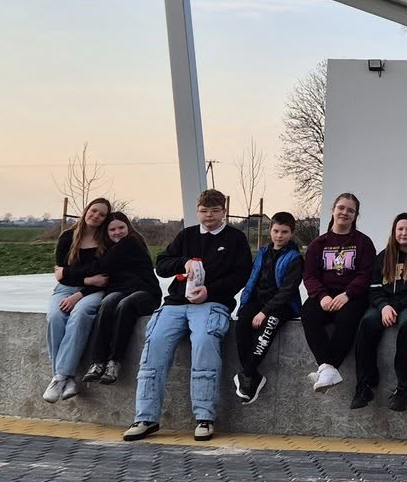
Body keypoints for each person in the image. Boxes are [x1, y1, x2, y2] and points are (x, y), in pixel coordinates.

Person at [123, 189, 250, 442]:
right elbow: (161, 265)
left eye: (214, 211)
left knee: (204, 344)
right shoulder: (186, 235)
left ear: (224, 212)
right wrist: (184, 262)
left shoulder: (235, 238)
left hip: (212, 304)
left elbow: (242, 274)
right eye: (204, 211)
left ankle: (204, 417)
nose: (209, 216)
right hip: (175, 304)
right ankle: (145, 417)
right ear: (197, 211)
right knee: (154, 346)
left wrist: (210, 290)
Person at [352, 212, 407, 411]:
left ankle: (403, 388)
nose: (404, 233)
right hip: (384, 304)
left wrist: (395, 307)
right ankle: (364, 385)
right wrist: (384, 306)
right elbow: (373, 288)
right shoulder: (384, 255)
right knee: (367, 323)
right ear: (394, 231)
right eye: (400, 229)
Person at [299, 192, 377, 391]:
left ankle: (326, 369)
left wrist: (347, 294)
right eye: (341, 208)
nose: (344, 213)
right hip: (324, 295)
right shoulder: (318, 244)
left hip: (353, 296)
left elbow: (366, 274)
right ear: (333, 210)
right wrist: (322, 296)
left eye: (350, 210)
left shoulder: (364, 242)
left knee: (347, 318)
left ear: (355, 216)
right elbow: (309, 275)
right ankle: (328, 369)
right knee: (308, 313)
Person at [229, 211, 303, 404]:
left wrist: (264, 312)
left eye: (284, 232)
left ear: (291, 233)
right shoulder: (262, 252)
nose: (279, 235)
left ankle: (246, 373)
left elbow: (287, 291)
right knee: (242, 324)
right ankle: (253, 376)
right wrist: (245, 304)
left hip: (283, 305)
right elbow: (252, 279)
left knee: (268, 327)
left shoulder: (295, 258)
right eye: (276, 231)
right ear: (270, 230)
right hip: (257, 301)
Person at [45, 197, 113, 402]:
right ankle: (68, 378)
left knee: (80, 314)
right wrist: (87, 278)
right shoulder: (67, 237)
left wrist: (81, 288)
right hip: (65, 289)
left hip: (93, 292)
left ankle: (59, 377)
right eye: (94, 211)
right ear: (86, 210)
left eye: (102, 214)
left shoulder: (106, 241)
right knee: (55, 316)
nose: (96, 216)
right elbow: (61, 275)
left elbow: (103, 278)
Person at [82, 209, 157, 385]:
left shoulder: (131, 241)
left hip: (146, 293)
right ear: (106, 232)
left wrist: (68, 273)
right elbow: (101, 272)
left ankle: (115, 362)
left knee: (125, 305)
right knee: (107, 303)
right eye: (112, 229)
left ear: (128, 227)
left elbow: (99, 266)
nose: (118, 232)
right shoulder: (108, 248)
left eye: (121, 227)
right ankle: (97, 362)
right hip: (121, 290)